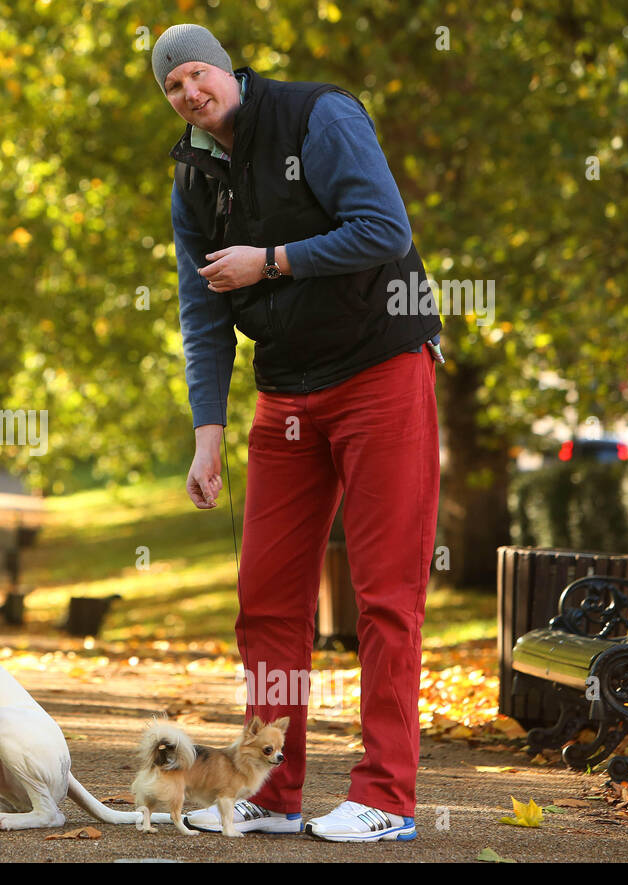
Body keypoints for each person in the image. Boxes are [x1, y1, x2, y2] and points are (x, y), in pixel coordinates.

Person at [152, 24, 442, 842]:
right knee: (267, 598)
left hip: (381, 362)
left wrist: (271, 260)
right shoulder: (194, 176)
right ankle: (273, 791)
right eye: (173, 88)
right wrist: (207, 434)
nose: (189, 94)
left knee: (386, 595)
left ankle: (386, 799)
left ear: (227, 70)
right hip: (284, 393)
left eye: (198, 74)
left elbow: (384, 229)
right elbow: (202, 309)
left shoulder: (319, 116)